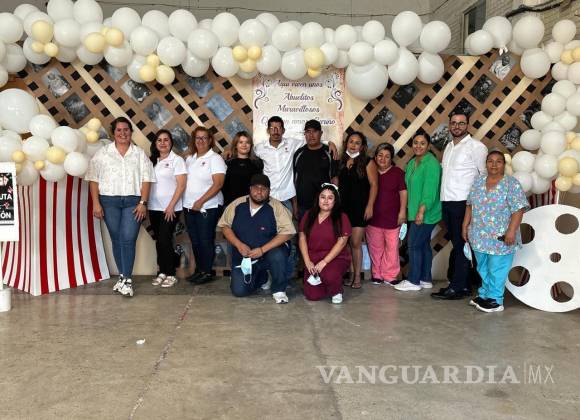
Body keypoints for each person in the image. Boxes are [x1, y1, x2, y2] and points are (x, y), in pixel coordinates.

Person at [86, 116, 155, 297]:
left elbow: (147, 179)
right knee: (116, 239)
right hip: (109, 202)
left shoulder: (139, 154)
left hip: (133, 202)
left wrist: (143, 202)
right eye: (119, 130)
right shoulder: (103, 153)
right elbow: (93, 179)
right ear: (113, 133)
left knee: (128, 239)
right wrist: (96, 203)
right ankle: (122, 277)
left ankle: (128, 280)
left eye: (126, 130)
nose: (123, 133)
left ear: (131, 132)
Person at [462, 151, 528, 312]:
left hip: (501, 236)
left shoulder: (511, 184)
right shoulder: (478, 181)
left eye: (498, 161)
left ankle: (496, 300)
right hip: (479, 234)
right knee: (483, 267)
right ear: (486, 163)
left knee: (497, 268)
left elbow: (518, 209)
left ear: (504, 165)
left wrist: (511, 231)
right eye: (490, 161)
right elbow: (470, 205)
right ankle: (484, 294)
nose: (494, 164)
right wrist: (465, 225)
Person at [431, 111, 488, 300]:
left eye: (461, 123)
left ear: (467, 125)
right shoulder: (448, 146)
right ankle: (462, 284)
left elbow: (483, 176)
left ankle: (458, 287)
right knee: (458, 244)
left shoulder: (476, 147)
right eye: (454, 123)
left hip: (463, 202)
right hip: (447, 201)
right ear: (449, 125)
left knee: (462, 245)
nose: (457, 126)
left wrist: (474, 204)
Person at [217, 174, 296, 304]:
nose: (259, 192)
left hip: (269, 252)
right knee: (239, 291)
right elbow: (224, 226)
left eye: (263, 189)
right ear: (250, 189)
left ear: (269, 191)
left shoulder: (276, 206)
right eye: (256, 188)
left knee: (277, 255)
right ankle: (262, 277)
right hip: (245, 255)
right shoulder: (237, 204)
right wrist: (239, 245)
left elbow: (288, 232)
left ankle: (279, 290)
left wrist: (262, 250)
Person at [395, 131, 442, 292]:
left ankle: (414, 281)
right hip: (414, 211)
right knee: (423, 245)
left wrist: (421, 211)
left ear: (428, 146)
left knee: (413, 245)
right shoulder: (412, 163)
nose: (418, 146)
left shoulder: (432, 164)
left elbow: (430, 191)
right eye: (415, 142)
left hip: (426, 213)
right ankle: (425, 279)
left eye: (422, 143)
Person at [183, 127, 226, 285]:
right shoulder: (190, 159)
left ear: (210, 140)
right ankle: (199, 270)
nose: (200, 141)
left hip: (208, 206)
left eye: (204, 138)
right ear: (194, 140)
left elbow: (218, 184)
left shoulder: (215, 159)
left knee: (205, 240)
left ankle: (206, 272)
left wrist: (200, 201)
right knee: (195, 240)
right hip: (189, 207)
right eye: (198, 138)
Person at [337, 131, 378, 289]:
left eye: (357, 142)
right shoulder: (342, 161)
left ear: (362, 146)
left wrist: (370, 205)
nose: (353, 145)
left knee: (355, 242)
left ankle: (357, 277)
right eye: (351, 142)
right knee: (346, 243)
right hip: (343, 208)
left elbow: (374, 185)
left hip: (360, 208)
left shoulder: (368, 162)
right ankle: (350, 274)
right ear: (346, 144)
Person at [299, 184, 351, 304]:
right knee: (312, 296)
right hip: (313, 258)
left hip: (336, 258)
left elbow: (342, 242)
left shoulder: (341, 217)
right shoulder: (309, 215)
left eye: (330, 198)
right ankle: (326, 284)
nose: (326, 201)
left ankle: (336, 290)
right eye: (323, 197)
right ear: (318, 199)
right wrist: (307, 261)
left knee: (329, 274)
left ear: (335, 201)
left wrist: (324, 262)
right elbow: (302, 238)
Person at [148, 129, 187, 288]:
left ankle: (171, 273)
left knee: (165, 239)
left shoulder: (177, 160)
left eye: (166, 140)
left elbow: (181, 185)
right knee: (159, 240)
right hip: (153, 207)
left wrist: (171, 206)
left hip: (170, 208)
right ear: (155, 143)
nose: (163, 143)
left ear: (171, 142)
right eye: (159, 140)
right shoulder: (152, 161)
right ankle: (162, 272)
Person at [366, 143, 407, 286]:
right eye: (380, 155)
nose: (383, 159)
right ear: (375, 157)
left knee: (392, 248)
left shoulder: (397, 173)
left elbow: (403, 193)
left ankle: (390, 275)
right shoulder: (371, 171)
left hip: (393, 219)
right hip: (373, 219)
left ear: (391, 158)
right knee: (375, 248)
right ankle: (377, 274)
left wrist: (402, 212)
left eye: (387, 156)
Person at [293, 119, 339, 220]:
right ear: (305, 134)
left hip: (324, 206)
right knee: (303, 230)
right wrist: (295, 205)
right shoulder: (298, 153)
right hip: (303, 206)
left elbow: (334, 179)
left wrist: (334, 203)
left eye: (315, 131)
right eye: (308, 131)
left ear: (321, 133)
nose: (311, 135)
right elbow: (294, 181)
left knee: (323, 230)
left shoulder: (330, 152)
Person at [222, 131, 263, 206]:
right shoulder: (227, 162)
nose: (244, 145)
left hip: (251, 204)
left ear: (251, 145)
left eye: (247, 142)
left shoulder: (257, 163)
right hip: (230, 204)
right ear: (236, 145)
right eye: (240, 142)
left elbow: (259, 184)